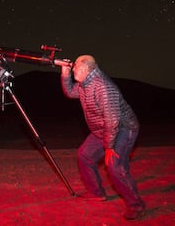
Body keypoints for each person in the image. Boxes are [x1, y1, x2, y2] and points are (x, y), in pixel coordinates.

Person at [61, 55, 145, 220]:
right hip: (104, 128)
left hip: (123, 129)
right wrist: (64, 74)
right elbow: (70, 93)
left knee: (114, 166)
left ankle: (136, 205)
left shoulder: (103, 87)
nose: (73, 68)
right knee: (85, 155)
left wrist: (109, 147)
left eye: (75, 66)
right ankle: (96, 193)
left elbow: (113, 120)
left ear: (86, 69)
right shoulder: (84, 83)